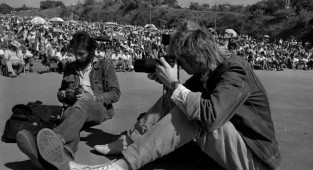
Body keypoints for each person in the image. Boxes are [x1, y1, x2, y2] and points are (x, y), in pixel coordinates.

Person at [69, 21, 281, 170]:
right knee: (180, 99)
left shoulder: (236, 70)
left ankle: (120, 166)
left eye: (180, 60)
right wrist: (170, 85)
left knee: (194, 114)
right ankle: (128, 141)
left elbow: (211, 116)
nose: (178, 65)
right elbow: (175, 98)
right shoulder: (206, 70)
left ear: (196, 58)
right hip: (232, 149)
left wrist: (174, 82)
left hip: (255, 160)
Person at [16, 31, 121, 170]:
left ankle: (55, 139)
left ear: (91, 51)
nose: (77, 57)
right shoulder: (70, 67)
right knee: (73, 121)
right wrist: (65, 94)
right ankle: (62, 157)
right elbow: (61, 94)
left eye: (81, 54)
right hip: (74, 109)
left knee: (80, 105)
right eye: (75, 53)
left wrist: (93, 97)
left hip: (98, 108)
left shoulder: (105, 65)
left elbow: (115, 93)